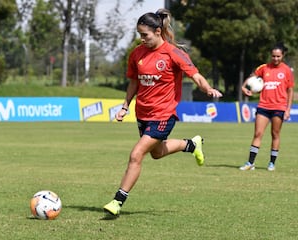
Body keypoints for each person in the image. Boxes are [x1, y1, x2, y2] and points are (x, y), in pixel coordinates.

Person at [103, 8, 222, 216]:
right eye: (139, 35)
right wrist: (124, 107)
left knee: (136, 154)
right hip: (143, 113)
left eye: (145, 35)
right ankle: (192, 144)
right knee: (156, 154)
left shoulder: (173, 53)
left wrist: (207, 89)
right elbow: (134, 82)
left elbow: (196, 75)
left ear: (158, 31)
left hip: (164, 114)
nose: (142, 39)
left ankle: (117, 201)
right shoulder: (137, 54)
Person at [239, 42, 295, 171]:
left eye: (278, 56)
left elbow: (290, 91)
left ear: (283, 55)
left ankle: (271, 163)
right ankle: (250, 163)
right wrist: (243, 86)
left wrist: (288, 109)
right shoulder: (264, 68)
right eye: (273, 56)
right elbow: (252, 77)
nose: (275, 59)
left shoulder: (286, 70)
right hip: (264, 106)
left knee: (275, 134)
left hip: (279, 107)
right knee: (258, 133)